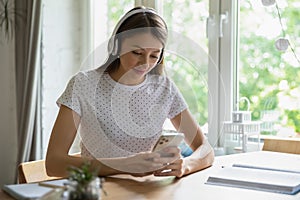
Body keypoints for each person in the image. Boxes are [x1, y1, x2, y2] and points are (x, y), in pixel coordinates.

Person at [45, 6, 214, 178]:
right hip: (97, 191)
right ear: (117, 45)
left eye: (154, 55)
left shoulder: (164, 88)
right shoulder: (82, 84)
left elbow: (206, 149)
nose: (145, 63)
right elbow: (53, 163)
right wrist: (124, 165)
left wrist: (186, 165)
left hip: (147, 191)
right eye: (137, 52)